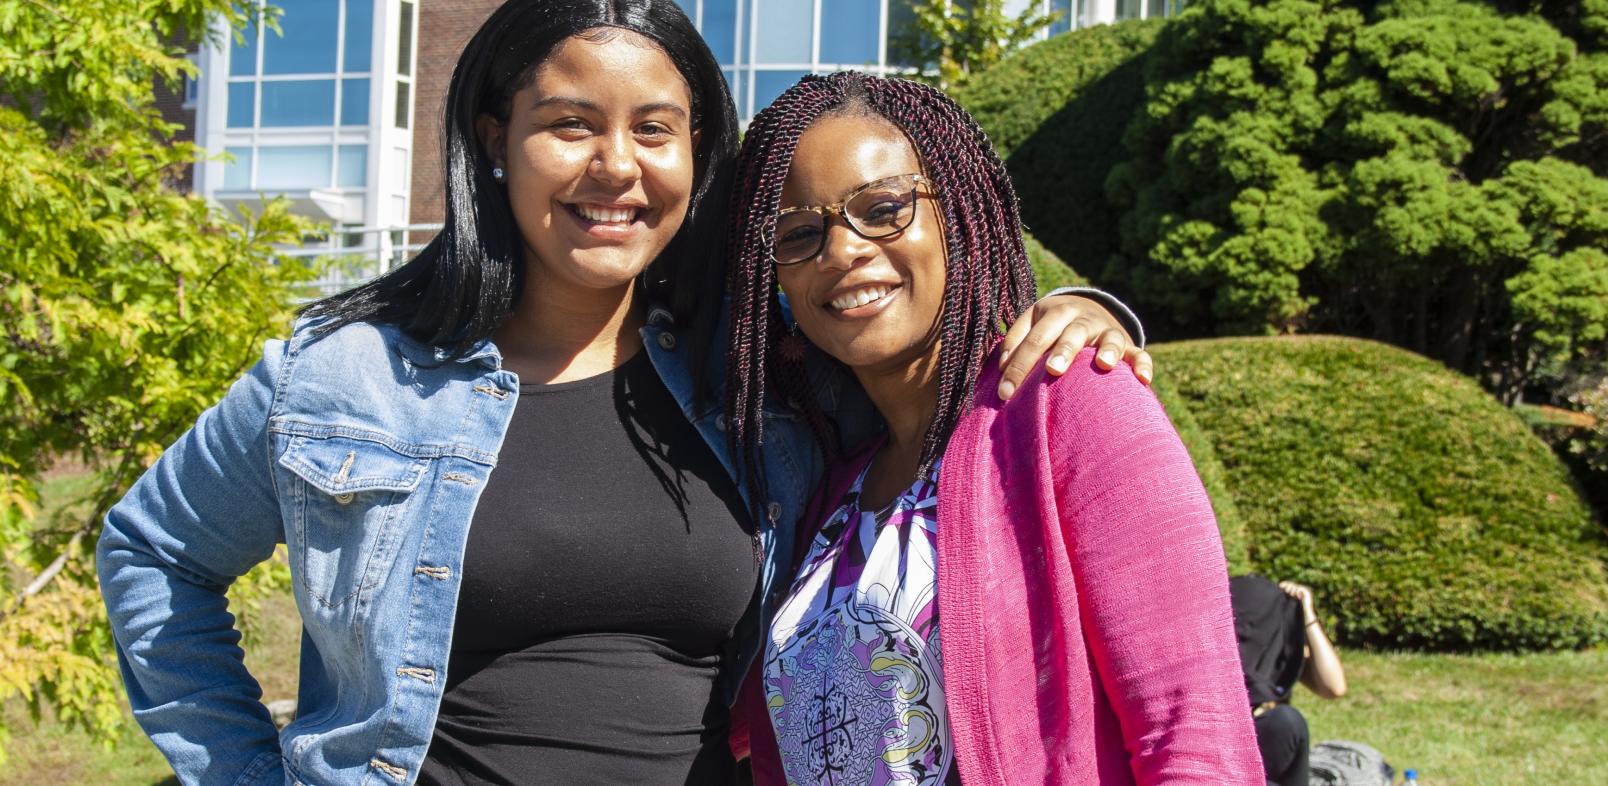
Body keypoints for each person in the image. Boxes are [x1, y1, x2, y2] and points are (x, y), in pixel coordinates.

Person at [96, 3, 1148, 785]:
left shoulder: (756, 372)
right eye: (569, 125)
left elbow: (924, 343)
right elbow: (153, 550)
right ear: (493, 139)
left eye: (655, 129)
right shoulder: (345, 374)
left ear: (699, 155)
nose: (616, 167)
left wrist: (1082, 312)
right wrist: (242, 771)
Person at [722, 72, 1264, 784]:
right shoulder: (829, 487)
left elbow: (1194, 735)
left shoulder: (1072, 403)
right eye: (799, 233)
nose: (842, 250)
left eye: (883, 208)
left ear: (961, 215)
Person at [1230, 576, 1348, 786]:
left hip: (1262, 757)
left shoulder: (1273, 654)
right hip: (1222, 753)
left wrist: (1307, 616)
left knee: (1286, 721)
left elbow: (1334, 687)